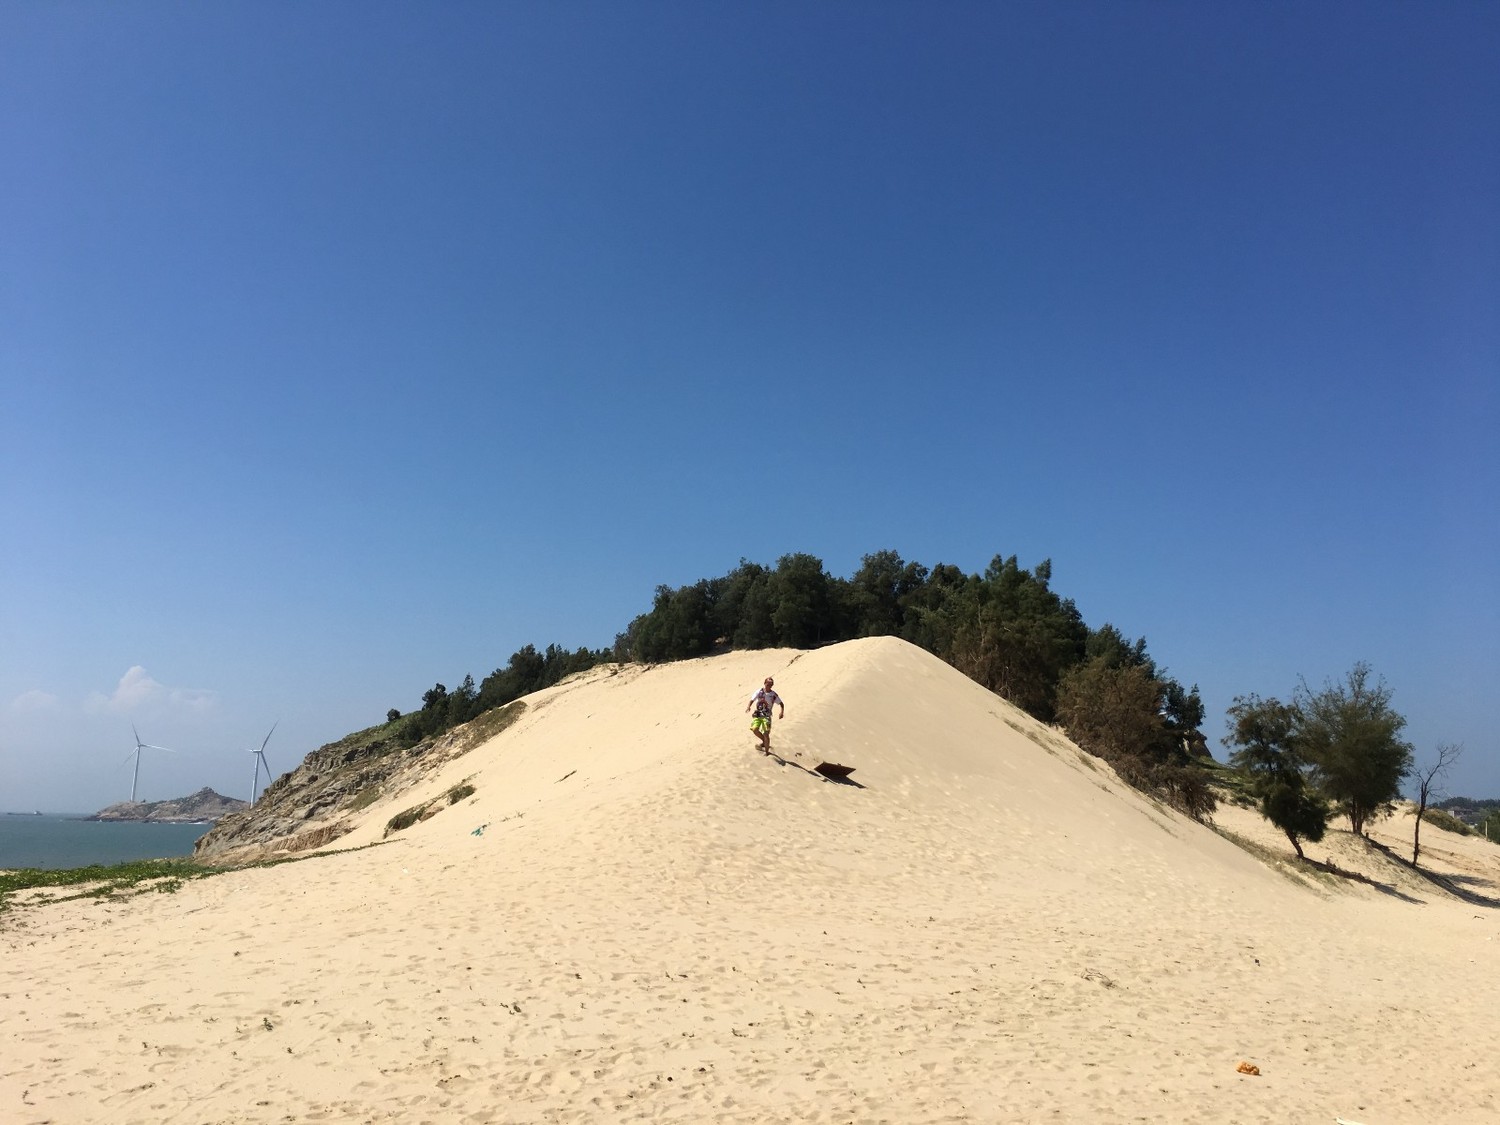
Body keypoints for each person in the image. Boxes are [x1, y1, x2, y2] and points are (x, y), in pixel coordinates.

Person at [745, 676, 785, 753]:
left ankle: (767, 753)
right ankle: (764, 741)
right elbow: (752, 699)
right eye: (768, 684)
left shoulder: (773, 694)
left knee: (766, 733)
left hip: (767, 716)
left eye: (771, 684)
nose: (769, 686)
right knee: (754, 729)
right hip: (758, 714)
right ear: (764, 683)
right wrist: (748, 707)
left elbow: (781, 704)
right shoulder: (759, 691)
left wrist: (781, 712)